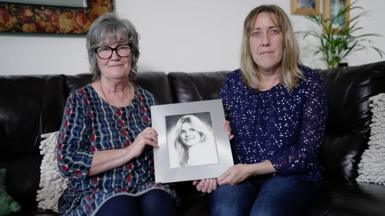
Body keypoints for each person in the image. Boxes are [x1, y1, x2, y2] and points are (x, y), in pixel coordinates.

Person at [195, 4, 327, 216]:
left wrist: (250, 169)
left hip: (290, 176)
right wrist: (208, 166)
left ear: (286, 38)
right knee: (227, 209)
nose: (265, 41)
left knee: (265, 212)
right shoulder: (233, 82)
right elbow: (216, 137)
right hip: (239, 174)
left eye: (273, 31)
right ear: (248, 42)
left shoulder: (310, 83)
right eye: (256, 33)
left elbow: (306, 153)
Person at [56, 13, 177, 216]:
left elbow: (166, 151)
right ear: (95, 56)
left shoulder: (147, 99)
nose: (114, 55)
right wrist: (130, 150)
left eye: (122, 47)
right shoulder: (81, 100)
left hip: (147, 185)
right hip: (98, 191)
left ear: (132, 53)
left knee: (159, 204)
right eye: (104, 49)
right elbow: (68, 162)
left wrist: (213, 139)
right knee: (122, 207)